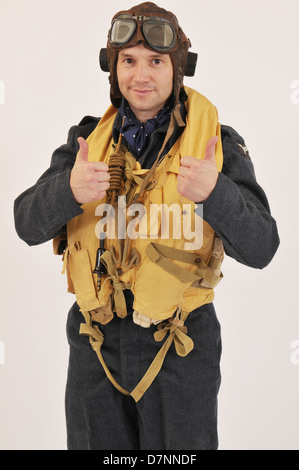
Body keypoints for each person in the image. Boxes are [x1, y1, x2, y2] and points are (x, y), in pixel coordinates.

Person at [14, 2, 280, 451]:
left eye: (156, 61)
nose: (141, 75)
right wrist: (69, 190)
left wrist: (216, 193)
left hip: (180, 347)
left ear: (178, 70)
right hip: (95, 347)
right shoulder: (84, 145)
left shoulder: (216, 145)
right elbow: (25, 223)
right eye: (129, 60)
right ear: (112, 67)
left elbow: (263, 247)